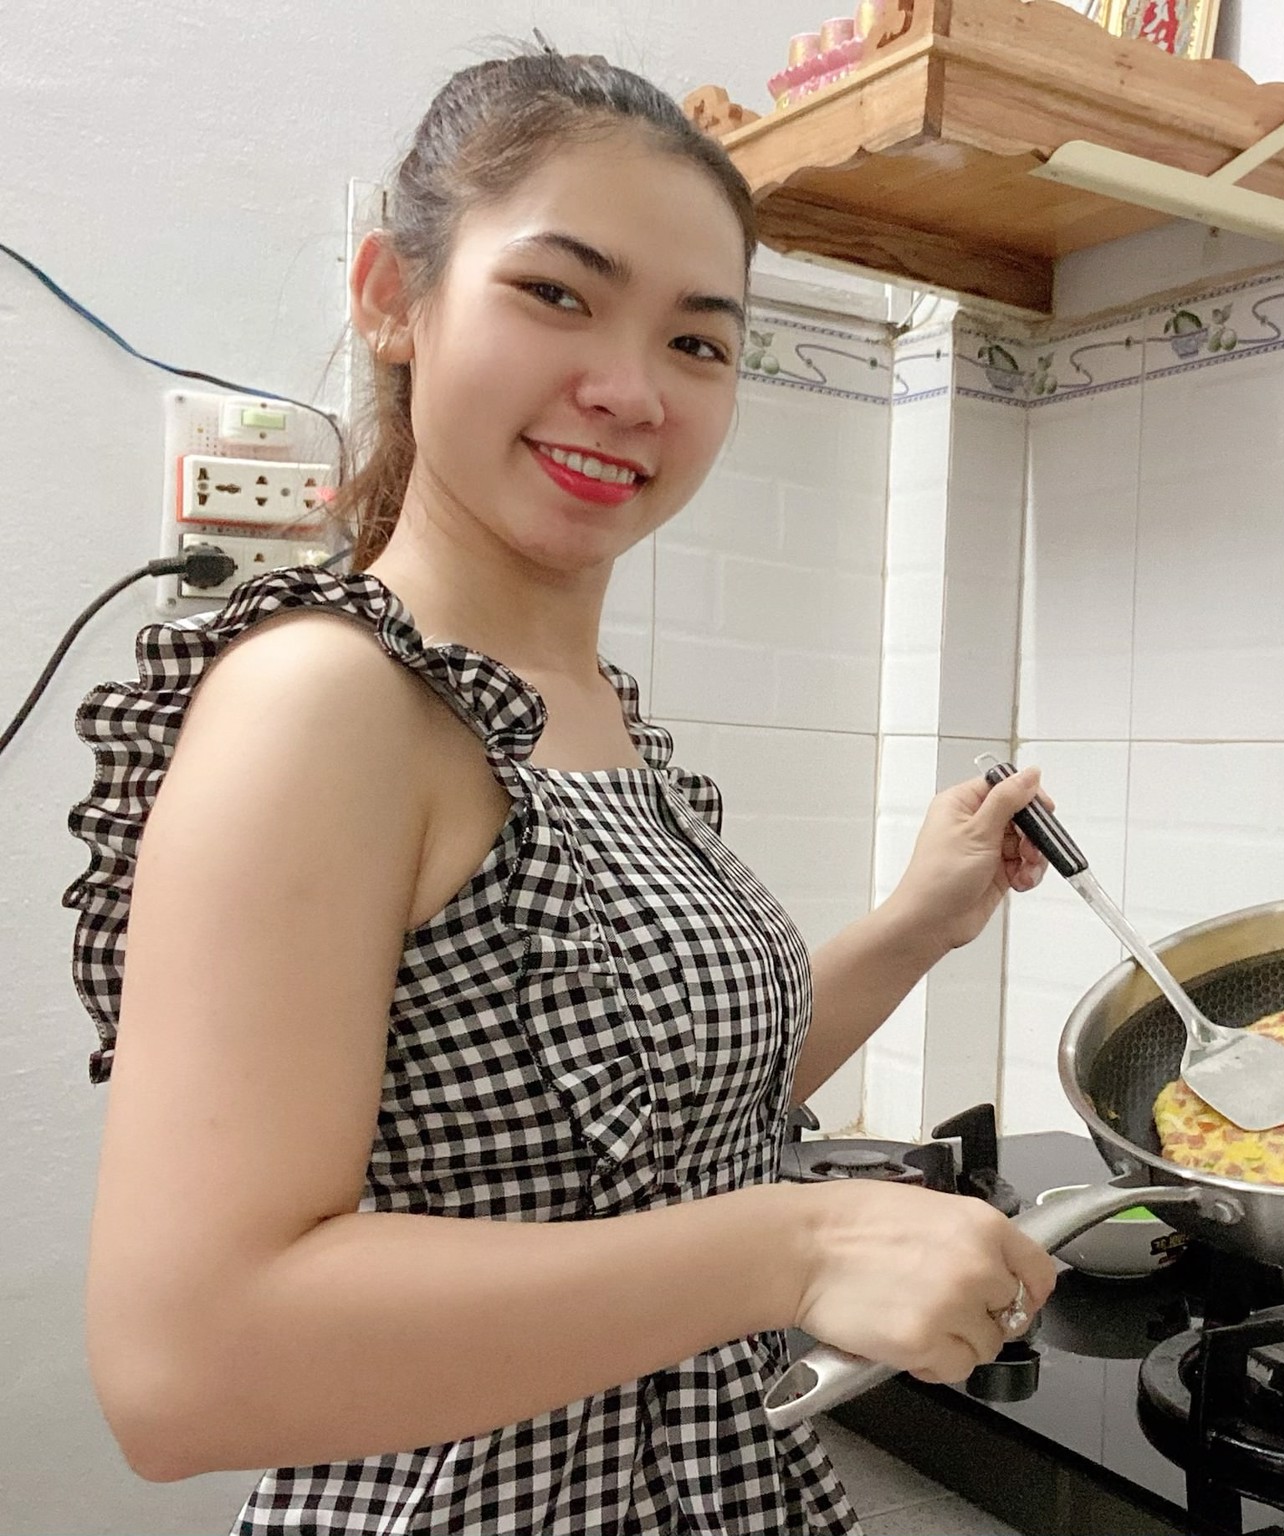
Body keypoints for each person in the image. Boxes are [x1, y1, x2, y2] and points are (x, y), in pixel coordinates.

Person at [63, 45, 1056, 1535]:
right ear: (393, 298)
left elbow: (659, 1127)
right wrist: (794, 1248)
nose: (630, 390)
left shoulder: (590, 715)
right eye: (556, 293)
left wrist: (921, 920)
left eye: (698, 342)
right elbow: (183, 1366)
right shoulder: (327, 701)